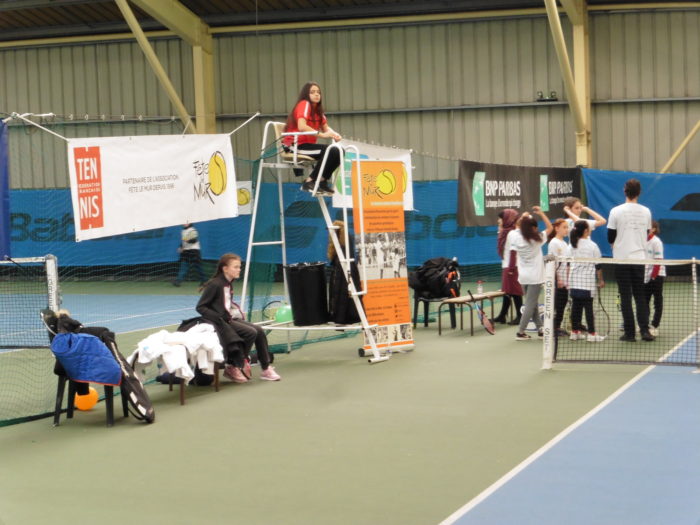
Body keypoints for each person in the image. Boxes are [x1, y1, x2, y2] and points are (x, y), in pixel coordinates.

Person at [197, 253, 281, 382]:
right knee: (250, 332)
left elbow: (225, 304)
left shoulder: (228, 283)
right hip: (219, 322)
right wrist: (219, 317)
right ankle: (234, 365)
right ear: (225, 269)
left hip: (228, 319)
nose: (239, 270)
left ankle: (266, 368)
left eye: (239, 267)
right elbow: (201, 307)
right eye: (235, 267)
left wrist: (233, 313)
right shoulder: (216, 284)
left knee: (258, 330)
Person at [607, 178, 654, 342]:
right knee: (640, 296)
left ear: (624, 191)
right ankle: (645, 332)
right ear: (639, 192)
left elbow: (610, 236)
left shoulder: (615, 211)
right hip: (639, 260)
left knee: (625, 296)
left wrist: (616, 244)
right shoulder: (647, 211)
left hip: (621, 260)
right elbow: (648, 233)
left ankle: (629, 333)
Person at [284, 81, 342, 195]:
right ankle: (309, 182)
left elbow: (326, 128)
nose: (316, 94)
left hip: (307, 146)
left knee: (339, 151)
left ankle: (321, 181)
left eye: (318, 92)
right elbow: (301, 126)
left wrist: (335, 134)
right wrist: (322, 135)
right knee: (328, 150)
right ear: (306, 94)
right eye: (312, 92)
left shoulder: (318, 110)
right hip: (295, 145)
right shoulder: (304, 104)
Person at [511, 206, 553, 340]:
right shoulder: (537, 239)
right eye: (534, 227)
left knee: (533, 303)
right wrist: (541, 213)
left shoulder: (516, 237)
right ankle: (520, 331)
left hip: (523, 277)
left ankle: (540, 329)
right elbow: (550, 228)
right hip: (535, 277)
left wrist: (524, 217)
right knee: (530, 305)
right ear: (533, 228)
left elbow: (519, 226)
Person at [568, 220, 605, 342]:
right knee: (588, 308)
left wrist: (568, 281)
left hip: (574, 282)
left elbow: (568, 265)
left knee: (576, 307)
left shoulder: (571, 245)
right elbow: (598, 266)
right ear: (585, 231)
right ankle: (592, 334)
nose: (590, 230)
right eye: (589, 228)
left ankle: (575, 332)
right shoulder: (592, 246)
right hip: (587, 284)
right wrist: (601, 280)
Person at [327, 220, 362, 325]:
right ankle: (342, 317)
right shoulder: (345, 238)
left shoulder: (343, 239)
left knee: (342, 293)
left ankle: (341, 318)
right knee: (345, 294)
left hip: (343, 270)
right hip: (345, 268)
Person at [493, 209, 523, 325]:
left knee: (516, 292)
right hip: (507, 265)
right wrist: (500, 230)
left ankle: (520, 316)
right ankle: (502, 316)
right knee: (507, 291)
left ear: (507, 219)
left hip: (512, 266)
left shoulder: (512, 233)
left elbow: (513, 252)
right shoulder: (505, 232)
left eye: (501, 218)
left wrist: (511, 268)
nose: (499, 220)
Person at [547, 218, 571, 336]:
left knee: (563, 304)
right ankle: (553, 329)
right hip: (557, 281)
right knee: (557, 305)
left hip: (565, 281)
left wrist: (567, 279)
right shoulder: (554, 242)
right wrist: (558, 279)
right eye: (564, 227)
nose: (567, 230)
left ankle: (557, 327)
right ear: (557, 228)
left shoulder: (565, 243)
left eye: (567, 227)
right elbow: (552, 262)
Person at [644, 220, 665, 337]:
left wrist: (653, 276)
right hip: (645, 275)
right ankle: (645, 325)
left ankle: (654, 326)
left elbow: (658, 261)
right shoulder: (641, 241)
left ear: (653, 229)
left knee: (657, 301)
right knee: (644, 301)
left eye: (648, 227)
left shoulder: (657, 242)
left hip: (657, 275)